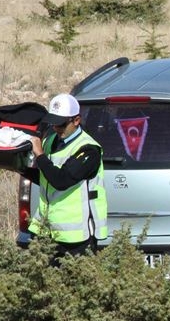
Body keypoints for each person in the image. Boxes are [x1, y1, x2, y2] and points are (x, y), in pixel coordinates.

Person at [22, 93, 107, 260]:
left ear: (76, 120)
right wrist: (19, 168)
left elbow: (61, 180)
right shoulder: (50, 141)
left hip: (76, 237)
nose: (56, 128)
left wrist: (39, 155)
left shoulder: (89, 150)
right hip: (46, 229)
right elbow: (46, 177)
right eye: (53, 123)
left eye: (61, 124)